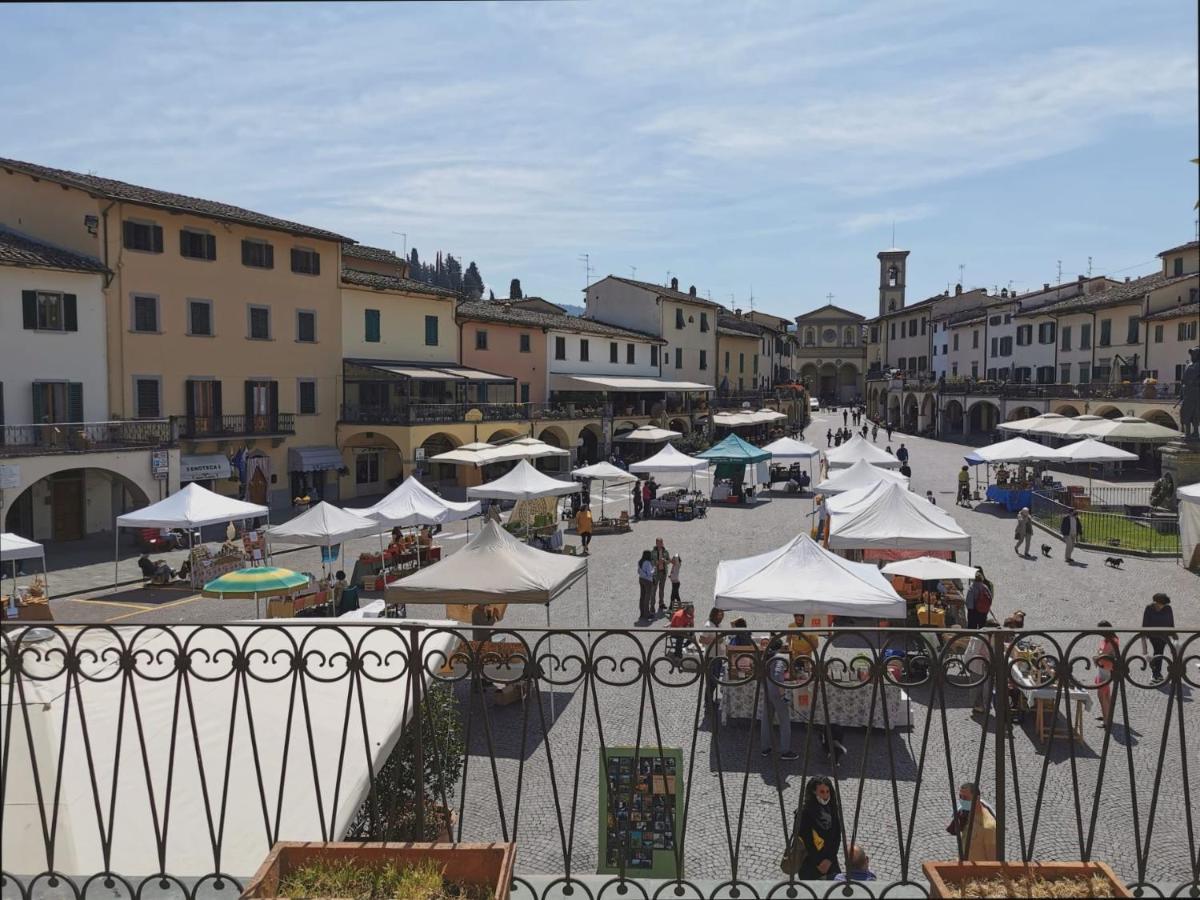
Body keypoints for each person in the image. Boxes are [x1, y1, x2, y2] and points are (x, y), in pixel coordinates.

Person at [792, 776, 842, 879]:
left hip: (830, 862)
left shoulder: (832, 808)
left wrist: (829, 859)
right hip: (810, 863)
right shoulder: (804, 812)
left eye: (828, 791)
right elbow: (806, 840)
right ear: (814, 792)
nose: (825, 795)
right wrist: (819, 862)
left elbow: (837, 835)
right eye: (822, 792)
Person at [760, 636, 796, 759]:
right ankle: (785, 750)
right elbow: (778, 676)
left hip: (766, 689)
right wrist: (782, 695)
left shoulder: (765, 656)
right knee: (784, 721)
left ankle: (765, 748)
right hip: (776, 692)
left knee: (766, 720)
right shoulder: (780, 658)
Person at [947, 783, 997, 861]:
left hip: (977, 871)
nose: (962, 800)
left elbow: (992, 859)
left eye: (965, 798)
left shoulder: (988, 826)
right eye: (960, 797)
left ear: (977, 799)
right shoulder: (965, 814)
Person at [1140, 593, 1175, 684]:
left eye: (1164, 605)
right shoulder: (1149, 608)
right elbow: (1145, 624)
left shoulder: (1168, 608)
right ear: (1156, 602)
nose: (1162, 606)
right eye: (1161, 604)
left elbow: (1171, 622)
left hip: (1164, 636)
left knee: (1159, 652)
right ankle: (1156, 673)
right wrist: (1144, 638)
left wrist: (1173, 635)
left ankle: (1156, 674)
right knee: (1158, 651)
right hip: (1153, 636)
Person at [699, 608, 726, 709]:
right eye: (720, 615)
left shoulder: (718, 625)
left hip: (718, 656)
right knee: (711, 681)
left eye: (722, 615)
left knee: (715, 681)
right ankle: (708, 702)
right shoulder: (708, 625)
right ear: (714, 615)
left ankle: (710, 701)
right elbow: (701, 639)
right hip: (711, 657)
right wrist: (715, 640)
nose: (721, 617)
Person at [1094, 621, 1120, 724]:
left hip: (1106, 670)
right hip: (1103, 669)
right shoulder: (1109, 639)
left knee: (1101, 695)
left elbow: (1102, 654)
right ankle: (1107, 715)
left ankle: (1106, 720)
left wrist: (1097, 656)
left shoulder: (1111, 641)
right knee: (1106, 694)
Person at [651, 538, 671, 613]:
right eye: (658, 543)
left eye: (661, 543)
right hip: (655, 574)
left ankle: (661, 603)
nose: (660, 544)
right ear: (656, 543)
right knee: (654, 590)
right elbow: (650, 561)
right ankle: (652, 606)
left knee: (661, 589)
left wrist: (665, 561)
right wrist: (656, 562)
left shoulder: (665, 552)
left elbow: (669, 560)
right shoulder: (652, 552)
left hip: (663, 573)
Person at [637, 550, 655, 620]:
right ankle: (647, 613)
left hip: (641, 579)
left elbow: (638, 571)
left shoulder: (640, 561)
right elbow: (649, 573)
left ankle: (642, 613)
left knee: (642, 597)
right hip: (648, 581)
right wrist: (654, 569)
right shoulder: (647, 563)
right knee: (647, 598)